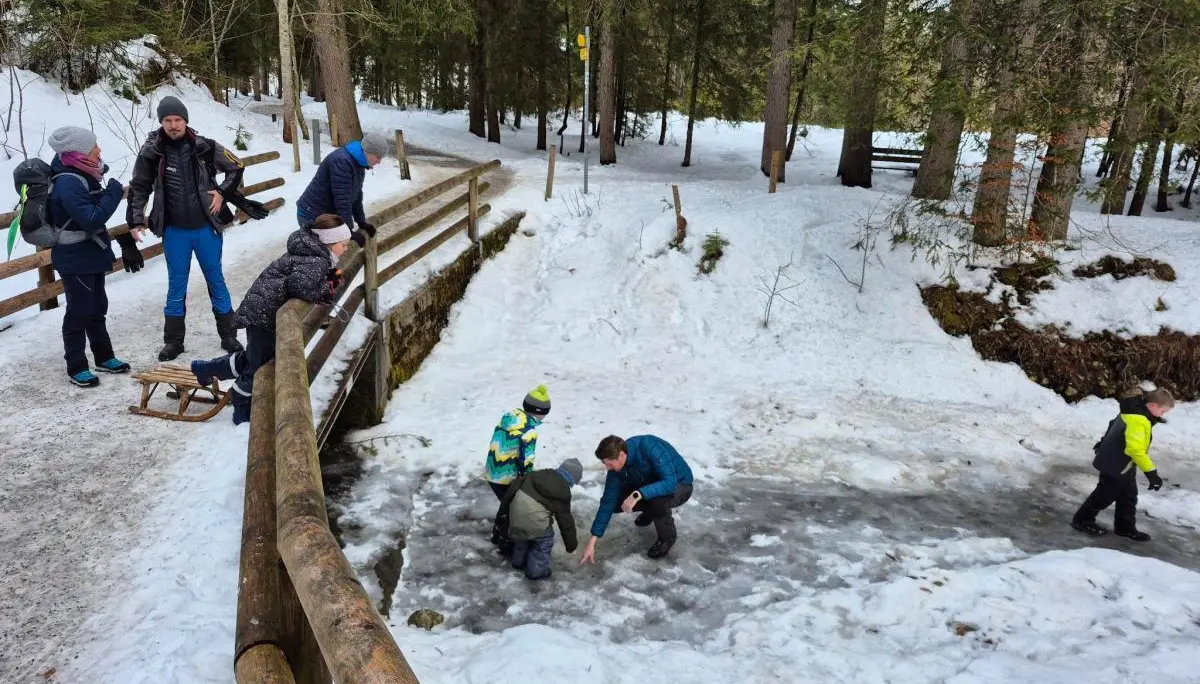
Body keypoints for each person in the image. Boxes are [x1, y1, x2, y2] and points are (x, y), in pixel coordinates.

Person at [126, 95, 270, 362]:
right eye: (167, 120)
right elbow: (139, 187)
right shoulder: (151, 152)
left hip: (206, 227)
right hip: (175, 230)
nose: (173, 125)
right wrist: (135, 220)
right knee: (176, 284)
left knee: (215, 279)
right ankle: (173, 342)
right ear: (161, 123)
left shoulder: (205, 146)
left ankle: (229, 335)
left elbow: (236, 166)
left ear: (185, 120)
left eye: (177, 119)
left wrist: (222, 193)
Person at [190, 214, 368, 424]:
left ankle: (207, 369)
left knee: (254, 357)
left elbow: (301, 280)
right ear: (329, 243)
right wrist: (328, 286)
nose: (346, 249)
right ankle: (242, 401)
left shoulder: (311, 253)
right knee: (259, 365)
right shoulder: (317, 260)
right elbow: (300, 286)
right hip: (264, 316)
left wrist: (326, 280)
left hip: (263, 310)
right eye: (343, 245)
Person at [45, 126, 143, 386]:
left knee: (98, 306)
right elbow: (91, 218)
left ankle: (104, 356)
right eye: (93, 147)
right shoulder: (67, 182)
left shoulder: (83, 174)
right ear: (78, 152)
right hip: (74, 257)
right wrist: (112, 192)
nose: (98, 150)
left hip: (90, 252)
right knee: (79, 310)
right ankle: (76, 365)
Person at [1071, 387, 1174, 541]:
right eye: (1163, 411)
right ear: (1153, 406)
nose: (1162, 415)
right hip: (1116, 464)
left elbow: (1113, 424)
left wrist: (1103, 442)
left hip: (1123, 463)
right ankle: (1082, 520)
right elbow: (1136, 450)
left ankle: (1125, 528)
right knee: (1104, 495)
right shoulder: (1138, 419)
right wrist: (1152, 474)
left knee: (1128, 496)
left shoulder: (1133, 408)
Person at [581, 434, 694, 562]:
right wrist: (592, 541)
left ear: (622, 455)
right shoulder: (616, 469)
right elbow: (608, 501)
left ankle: (667, 538)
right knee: (617, 502)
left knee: (656, 502)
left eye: (609, 464)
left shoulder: (648, 446)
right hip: (649, 482)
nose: (607, 468)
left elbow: (670, 483)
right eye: (605, 464)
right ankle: (649, 512)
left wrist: (637, 495)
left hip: (680, 485)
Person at [484, 385, 551, 553]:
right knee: (514, 510)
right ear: (540, 412)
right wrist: (527, 479)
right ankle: (508, 544)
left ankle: (497, 536)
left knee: (506, 505)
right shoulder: (529, 431)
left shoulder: (508, 418)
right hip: (507, 477)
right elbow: (526, 459)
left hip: (492, 471)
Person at [496, 458, 582, 580]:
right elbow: (565, 521)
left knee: (522, 533)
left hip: (515, 518)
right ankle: (536, 570)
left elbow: (512, 490)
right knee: (545, 539)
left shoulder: (536, 474)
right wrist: (571, 546)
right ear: (572, 479)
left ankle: (518, 561)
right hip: (535, 524)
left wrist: (503, 514)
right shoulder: (563, 490)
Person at [295, 132, 388, 233]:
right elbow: (342, 200)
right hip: (313, 214)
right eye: (378, 157)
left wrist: (361, 221)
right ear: (368, 151)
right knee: (323, 248)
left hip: (327, 214)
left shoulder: (359, 162)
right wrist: (348, 230)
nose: (379, 162)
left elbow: (356, 195)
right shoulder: (342, 161)